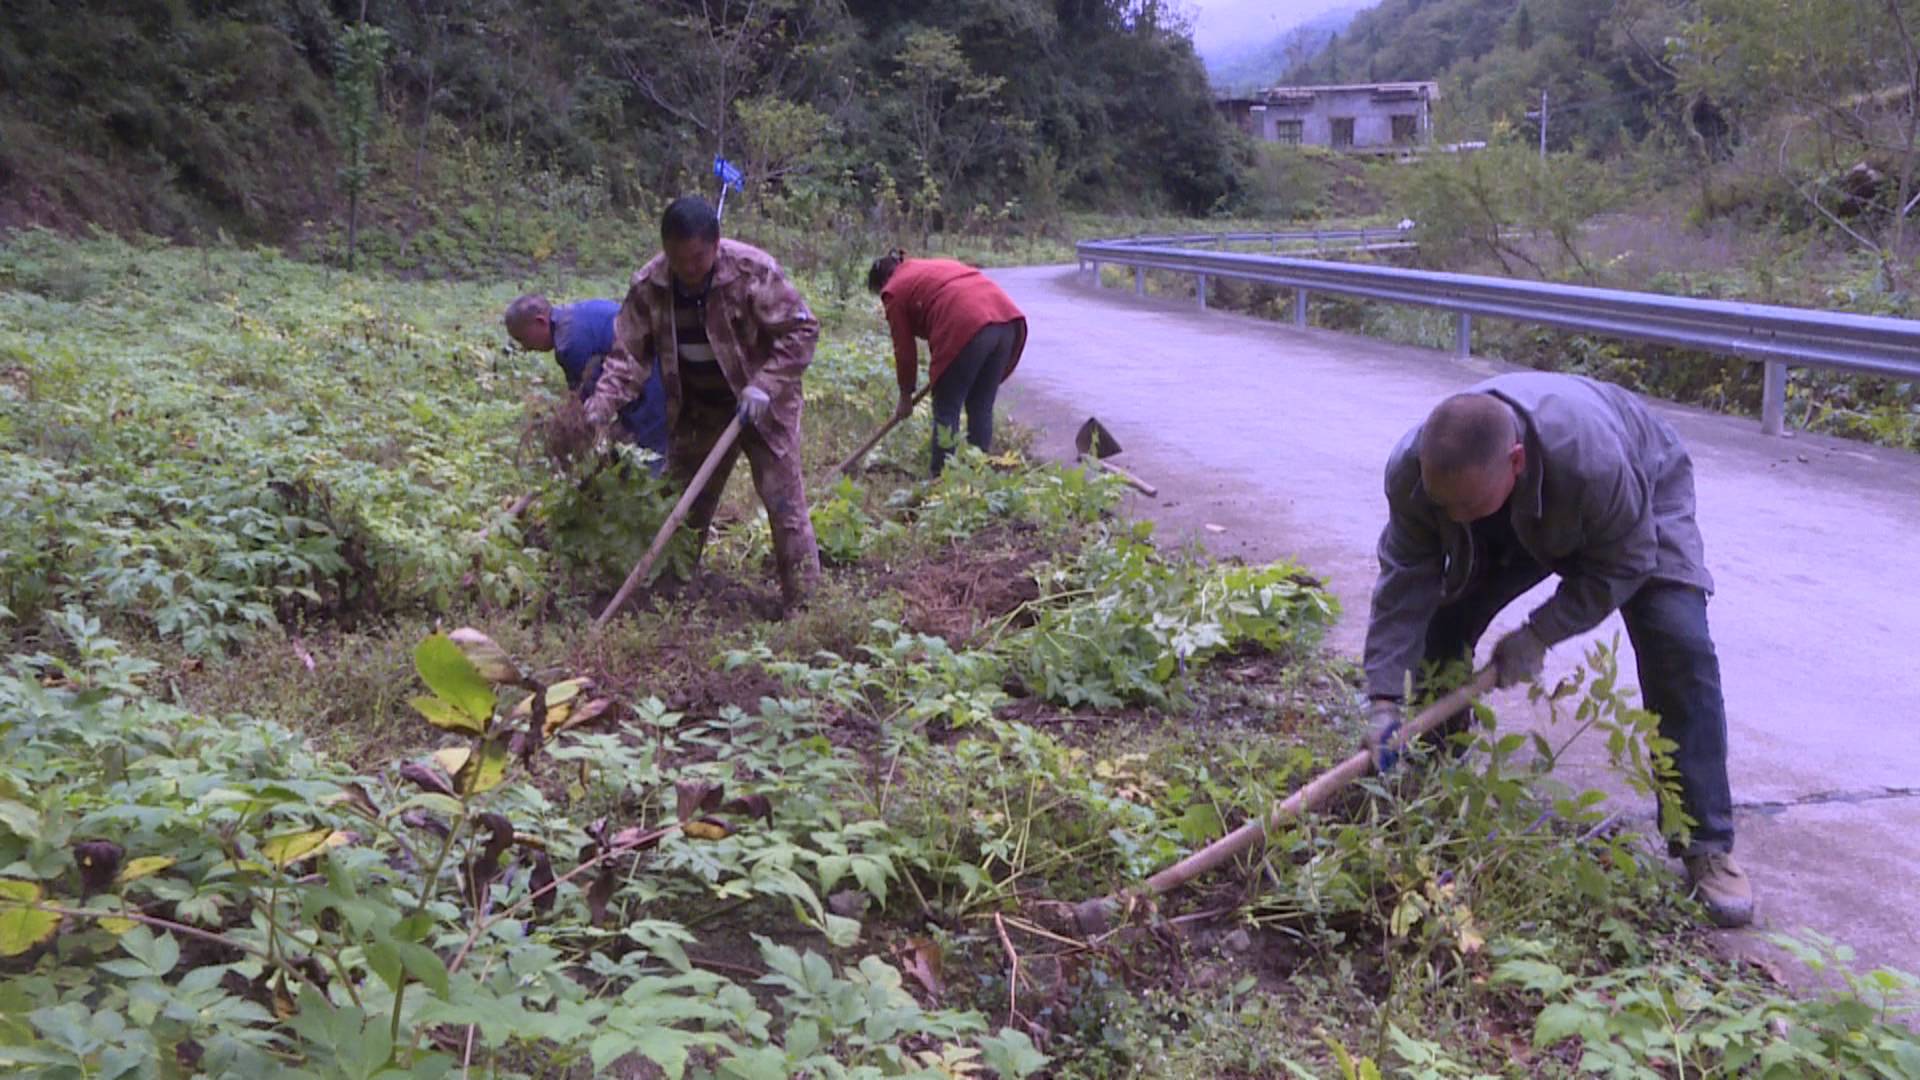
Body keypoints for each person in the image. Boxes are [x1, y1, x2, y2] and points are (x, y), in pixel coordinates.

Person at [1361, 372, 1752, 928]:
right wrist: (1382, 699)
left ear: (1514, 461)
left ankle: (1704, 841)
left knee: (1678, 644)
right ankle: (1432, 779)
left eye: (1464, 504)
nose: (1451, 518)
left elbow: (1626, 561)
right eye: (1441, 504)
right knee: (1439, 629)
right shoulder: (1421, 474)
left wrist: (1539, 634)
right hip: (1518, 509)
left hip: (1636, 496)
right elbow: (1405, 582)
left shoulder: (1594, 464)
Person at [581, 197, 822, 610]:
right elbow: (628, 360)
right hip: (699, 409)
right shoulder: (649, 287)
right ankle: (671, 597)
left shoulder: (752, 271)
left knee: (784, 505)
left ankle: (805, 604)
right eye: (676, 258)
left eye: (696, 258)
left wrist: (764, 385)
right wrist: (600, 406)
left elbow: (802, 331)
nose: (687, 269)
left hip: (764, 409)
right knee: (683, 505)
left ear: (715, 245)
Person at [867, 251, 1027, 476]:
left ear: (882, 282)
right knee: (981, 406)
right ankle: (977, 477)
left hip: (967, 326)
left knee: (946, 408)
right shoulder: (929, 267)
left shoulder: (894, 290)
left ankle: (941, 481)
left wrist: (905, 395)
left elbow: (904, 350)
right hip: (1005, 323)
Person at [503, 294, 669, 473]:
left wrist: (574, 438)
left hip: (647, 384)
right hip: (658, 367)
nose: (526, 348)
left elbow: (592, 399)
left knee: (649, 457)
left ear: (540, 321)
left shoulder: (569, 344)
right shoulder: (579, 314)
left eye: (523, 339)